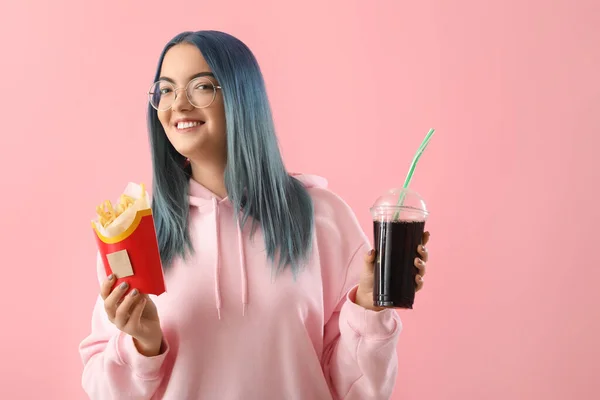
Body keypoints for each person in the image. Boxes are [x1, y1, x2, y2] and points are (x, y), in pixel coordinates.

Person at [79, 30, 430, 400]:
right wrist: (143, 345)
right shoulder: (136, 231)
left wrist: (370, 307)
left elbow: (360, 390)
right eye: (165, 89)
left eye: (200, 86)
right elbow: (101, 388)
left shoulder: (324, 218)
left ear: (242, 96)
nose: (177, 105)